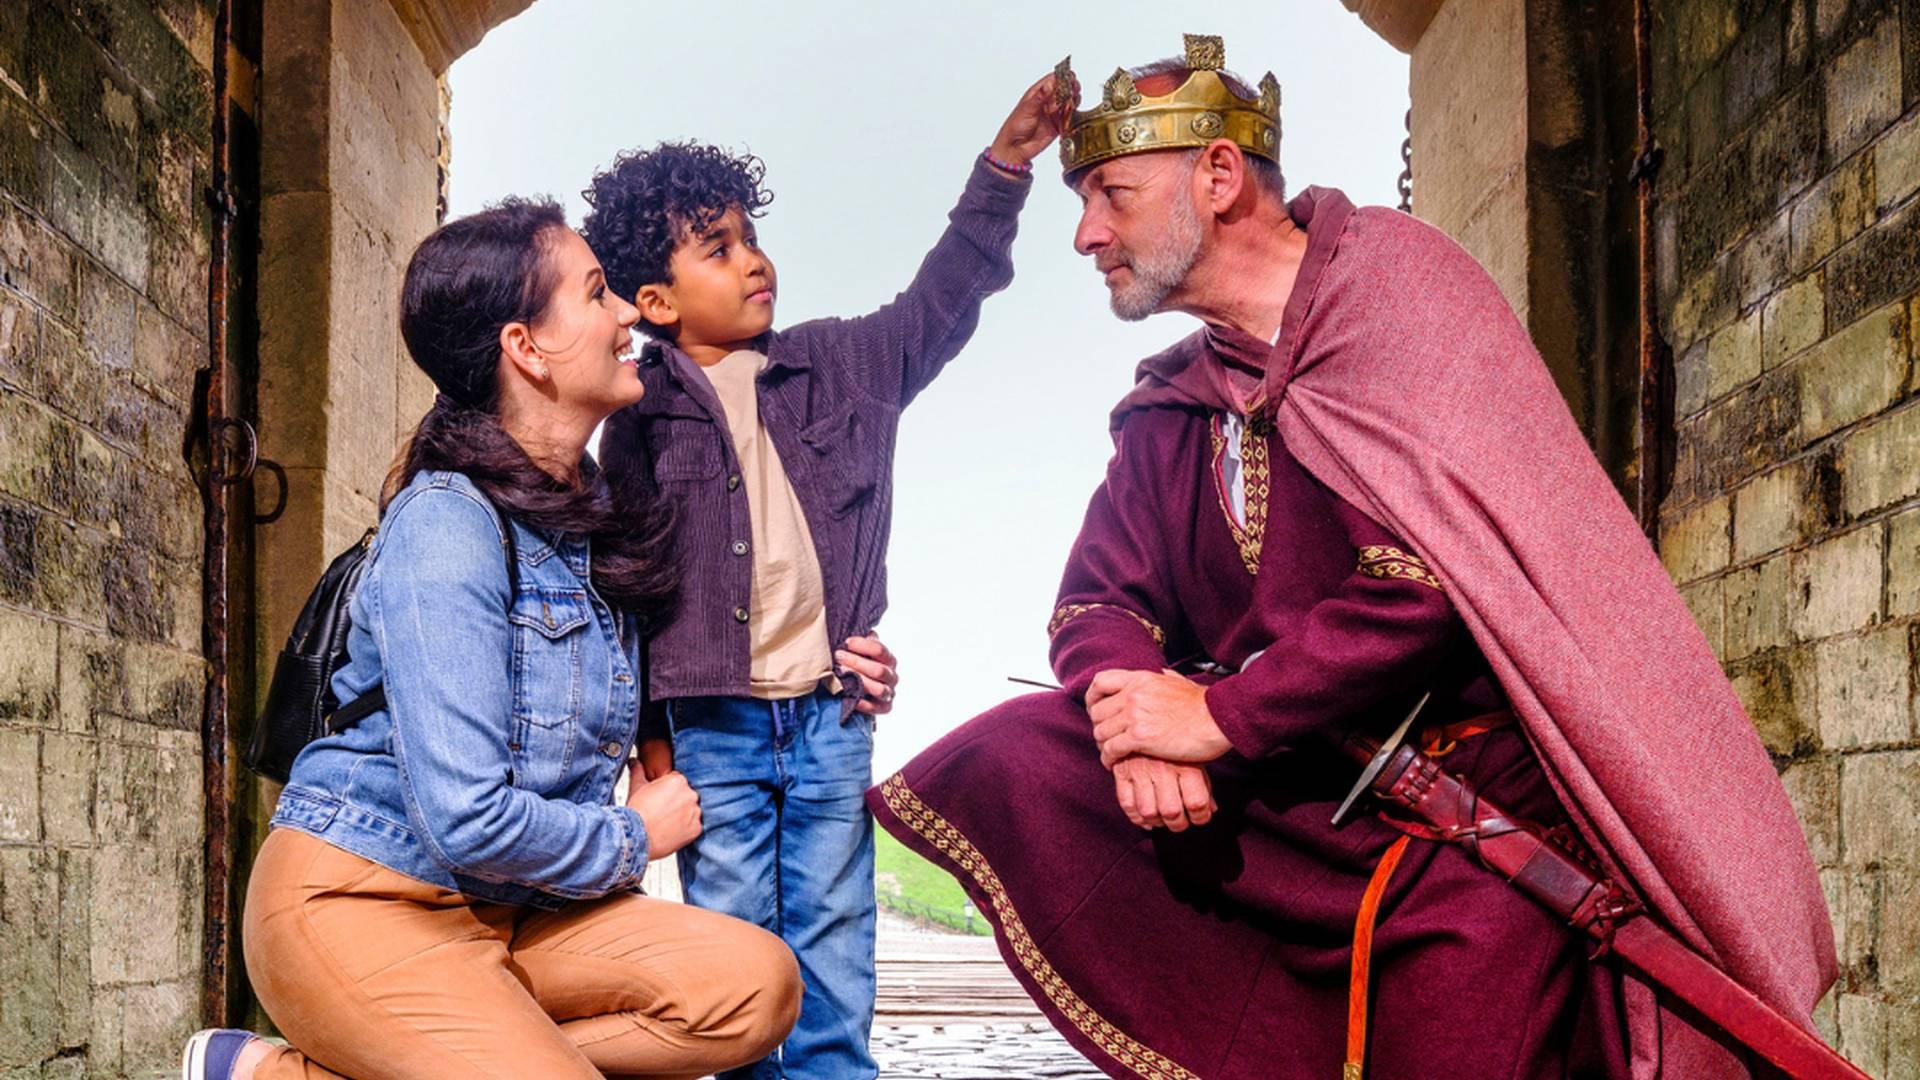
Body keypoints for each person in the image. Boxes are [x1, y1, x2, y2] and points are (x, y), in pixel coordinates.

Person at [869, 36, 1836, 1080]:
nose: (1087, 234)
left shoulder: (1399, 291)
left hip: (1480, 827)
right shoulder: (1175, 402)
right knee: (1017, 750)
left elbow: (1423, 585)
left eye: (1111, 193)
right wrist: (1136, 720)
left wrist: (1214, 718)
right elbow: (1098, 601)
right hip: (1298, 802)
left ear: (1221, 175)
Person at [179, 198, 848, 1080]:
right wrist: (629, 836)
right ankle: (273, 1069)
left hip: (522, 913)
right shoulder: (448, 524)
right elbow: (465, 820)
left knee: (756, 986)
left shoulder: (590, 518)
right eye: (598, 293)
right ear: (526, 349)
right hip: (364, 897)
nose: (623, 318)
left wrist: (844, 646)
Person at [580, 75, 1067, 1079]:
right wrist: (650, 741)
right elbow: (622, 588)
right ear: (658, 302)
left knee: (837, 950)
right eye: (716, 249)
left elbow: (944, 298)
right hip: (710, 729)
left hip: (830, 718)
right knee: (738, 959)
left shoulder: (846, 364)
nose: (753, 259)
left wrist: (1005, 168)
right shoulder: (631, 416)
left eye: (750, 235)